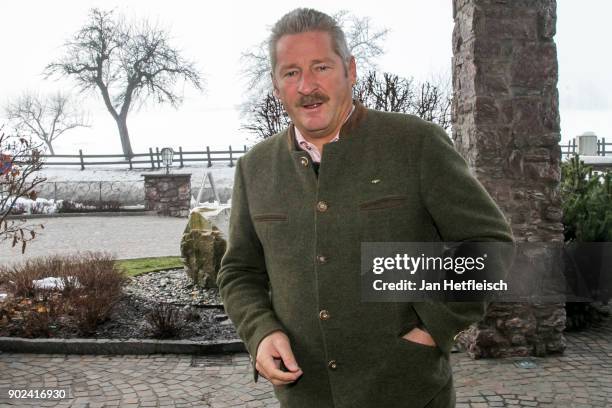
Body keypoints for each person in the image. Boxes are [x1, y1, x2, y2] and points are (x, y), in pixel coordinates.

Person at [217, 8, 513, 408]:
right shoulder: (254, 168)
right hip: (305, 396)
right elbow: (239, 271)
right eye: (291, 73)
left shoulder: (416, 144)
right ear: (276, 86)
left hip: (407, 391)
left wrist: (433, 324)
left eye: (320, 67)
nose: (307, 86)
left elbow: (490, 244)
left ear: (350, 71)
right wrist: (260, 331)